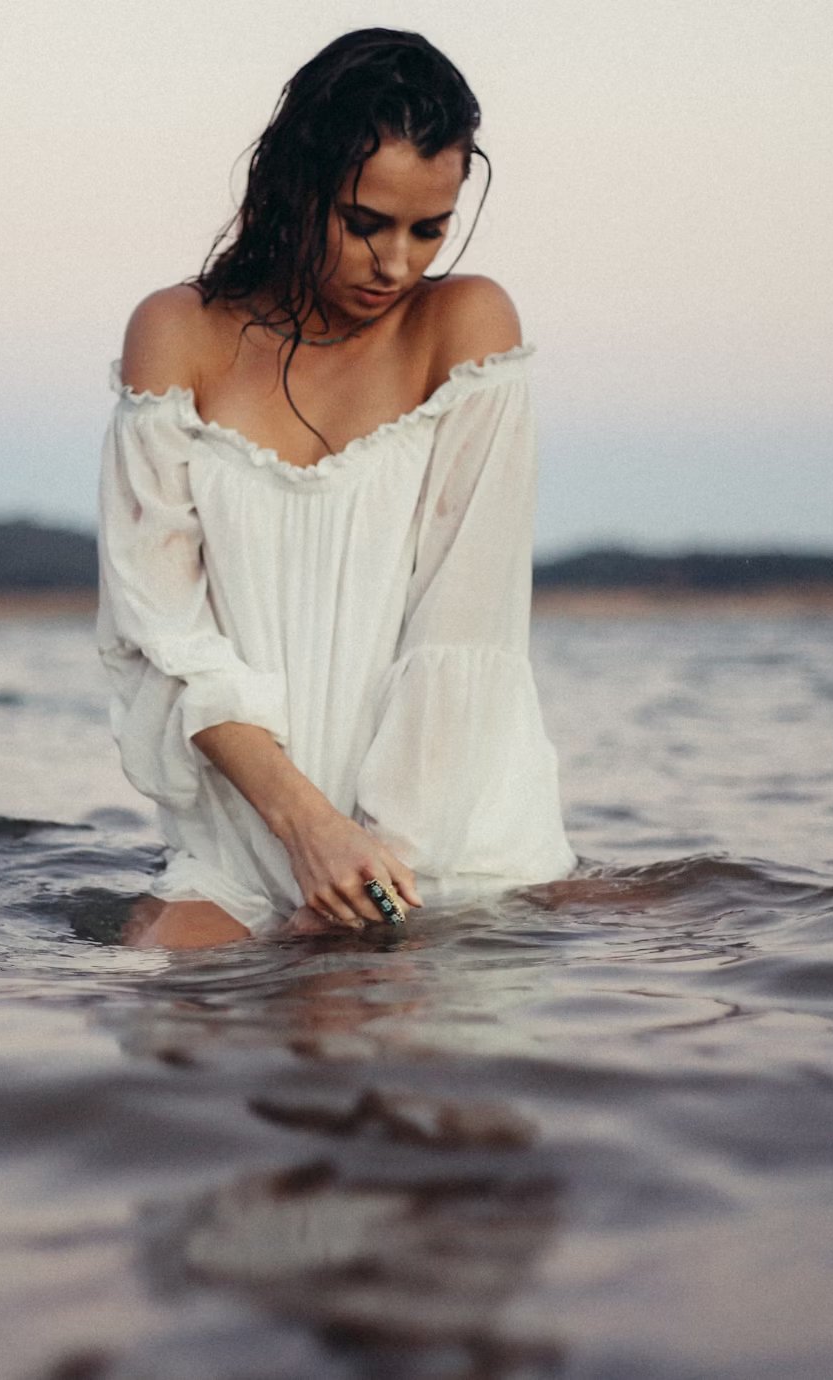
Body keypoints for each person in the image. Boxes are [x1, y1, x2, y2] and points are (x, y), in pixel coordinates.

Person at [97, 28, 575, 947]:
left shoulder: (464, 325)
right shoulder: (177, 334)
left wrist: (375, 869)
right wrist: (308, 828)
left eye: (428, 229)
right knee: (156, 1005)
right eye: (365, 223)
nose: (397, 264)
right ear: (295, 185)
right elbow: (162, 634)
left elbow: (462, 632)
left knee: (370, 1019)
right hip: (246, 836)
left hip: (444, 835)